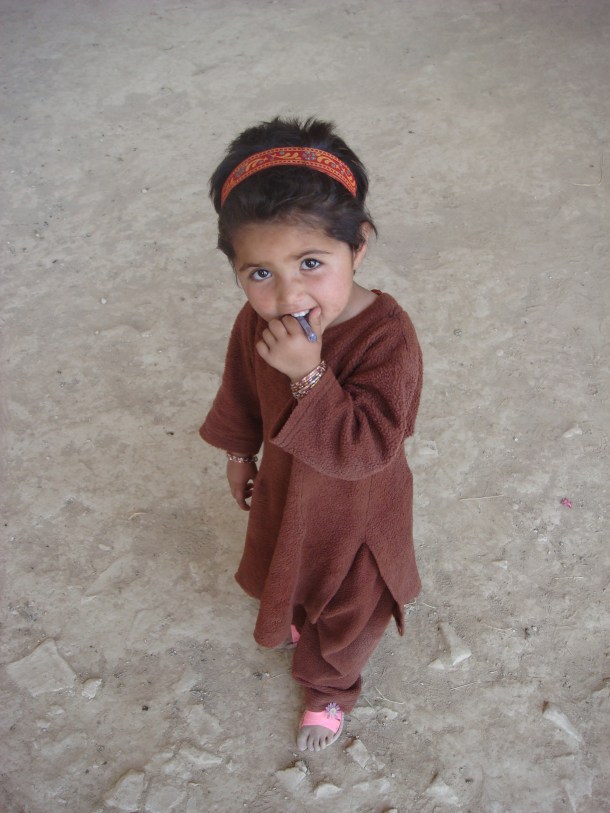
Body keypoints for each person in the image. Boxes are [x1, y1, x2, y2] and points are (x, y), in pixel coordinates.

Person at [200, 117, 423, 752]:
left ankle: (330, 687)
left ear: (361, 245)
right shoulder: (259, 321)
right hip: (287, 487)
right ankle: (299, 616)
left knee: (352, 607)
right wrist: (240, 451)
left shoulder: (387, 335)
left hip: (359, 509)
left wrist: (309, 374)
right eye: (259, 272)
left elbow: (371, 444)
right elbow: (242, 387)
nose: (288, 292)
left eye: (311, 262)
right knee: (289, 567)